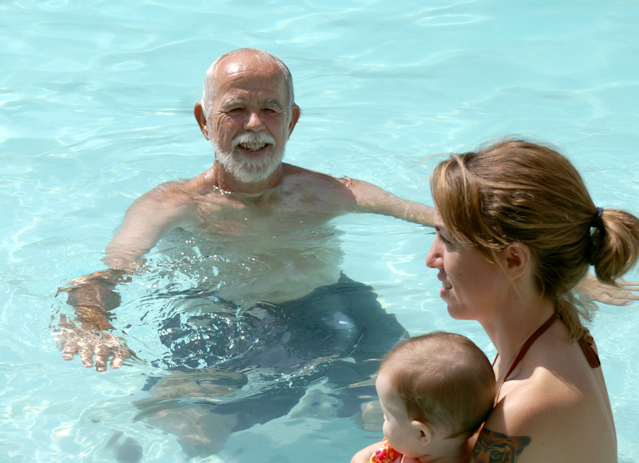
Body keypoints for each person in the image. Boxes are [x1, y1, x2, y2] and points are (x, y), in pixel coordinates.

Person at [353, 140, 639, 463]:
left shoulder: (526, 406)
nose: (431, 258)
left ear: (513, 261)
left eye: (447, 240)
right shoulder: (552, 338)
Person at [368, 332, 496, 463]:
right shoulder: (412, 443)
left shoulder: (406, 444)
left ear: (422, 433)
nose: (383, 417)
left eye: (387, 416)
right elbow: (361, 456)